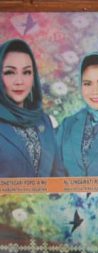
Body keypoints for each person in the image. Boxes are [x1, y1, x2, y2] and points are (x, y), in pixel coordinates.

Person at [0, 39, 62, 177]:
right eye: (10, 72)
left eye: (27, 72)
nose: (19, 81)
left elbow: (58, 175)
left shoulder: (43, 121)